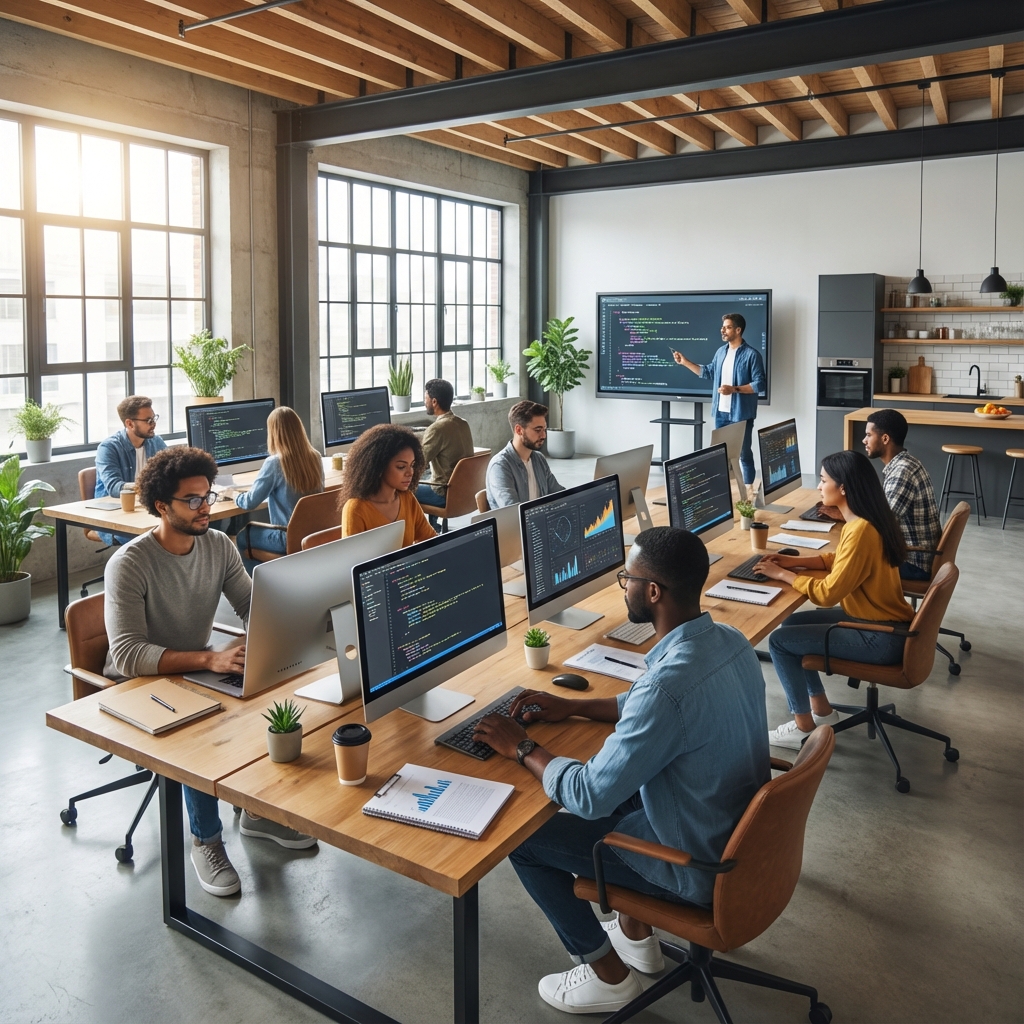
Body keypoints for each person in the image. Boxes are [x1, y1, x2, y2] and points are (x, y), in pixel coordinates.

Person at [473, 527, 770, 1015]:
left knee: (523, 841)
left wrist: (521, 746)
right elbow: (645, 703)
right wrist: (571, 707)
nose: (622, 586)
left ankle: (608, 977)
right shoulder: (729, 641)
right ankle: (637, 935)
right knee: (633, 782)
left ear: (652, 592)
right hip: (733, 835)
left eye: (626, 578)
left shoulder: (668, 687)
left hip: (695, 866)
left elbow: (589, 795)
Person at [103, 446, 317, 898]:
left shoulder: (218, 544)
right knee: (197, 739)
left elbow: (250, 606)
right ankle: (207, 839)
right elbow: (126, 654)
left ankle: (256, 812)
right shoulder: (130, 564)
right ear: (162, 506)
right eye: (194, 500)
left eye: (209, 496)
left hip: (197, 668)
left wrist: (273, 631)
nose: (208, 507)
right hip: (140, 683)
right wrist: (209, 659)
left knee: (268, 692)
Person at [755, 449, 913, 750]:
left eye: (823, 479)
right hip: (883, 624)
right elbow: (839, 558)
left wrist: (782, 575)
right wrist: (793, 562)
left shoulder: (861, 530)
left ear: (843, 488)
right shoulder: (866, 520)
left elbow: (827, 595)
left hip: (879, 637)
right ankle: (822, 710)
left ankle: (803, 728)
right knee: (792, 623)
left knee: (779, 642)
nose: (818, 485)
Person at [671, 313, 766, 486]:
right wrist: (685, 362)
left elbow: (760, 384)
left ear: (738, 330)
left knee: (744, 454)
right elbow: (707, 372)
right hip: (721, 413)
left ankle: (749, 494)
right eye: (723, 327)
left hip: (741, 414)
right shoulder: (721, 352)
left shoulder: (752, 355)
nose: (722, 330)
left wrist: (734, 389)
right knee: (719, 455)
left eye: (727, 327)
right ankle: (720, 494)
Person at [234, 406, 325, 563]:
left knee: (243, 536)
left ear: (274, 433)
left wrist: (235, 495)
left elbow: (250, 502)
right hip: (312, 533)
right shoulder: (315, 456)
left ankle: (251, 586)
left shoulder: (275, 463)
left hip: (286, 536)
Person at [863, 408, 941, 582]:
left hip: (913, 562)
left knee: (850, 564)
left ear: (885, 439)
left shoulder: (901, 472)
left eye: (868, 435)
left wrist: (845, 514)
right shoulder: (907, 462)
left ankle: (857, 609)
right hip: (916, 555)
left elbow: (881, 526)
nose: (864, 440)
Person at [340, 423, 435, 547]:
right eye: (401, 467)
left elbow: (430, 540)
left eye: (412, 465)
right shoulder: (356, 509)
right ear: (379, 467)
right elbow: (352, 562)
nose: (410, 472)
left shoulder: (407, 498)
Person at [93, 395, 167, 545]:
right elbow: (115, 488)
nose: (153, 424)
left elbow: (171, 474)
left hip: (148, 511)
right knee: (152, 539)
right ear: (129, 423)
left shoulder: (156, 442)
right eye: (148, 420)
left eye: (154, 418)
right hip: (115, 517)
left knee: (199, 524)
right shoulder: (109, 448)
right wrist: (150, 487)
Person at [414, 378, 474, 521]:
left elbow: (418, 464)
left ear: (434, 402)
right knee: (430, 476)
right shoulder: (463, 423)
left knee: (399, 489)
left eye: (425, 398)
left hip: (443, 493)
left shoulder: (436, 429)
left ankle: (416, 533)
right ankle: (433, 527)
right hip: (465, 492)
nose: (424, 402)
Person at [485, 401, 565, 509]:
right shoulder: (500, 466)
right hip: (515, 526)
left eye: (544, 429)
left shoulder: (539, 458)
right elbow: (513, 511)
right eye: (538, 430)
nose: (543, 435)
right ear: (519, 430)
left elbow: (559, 494)